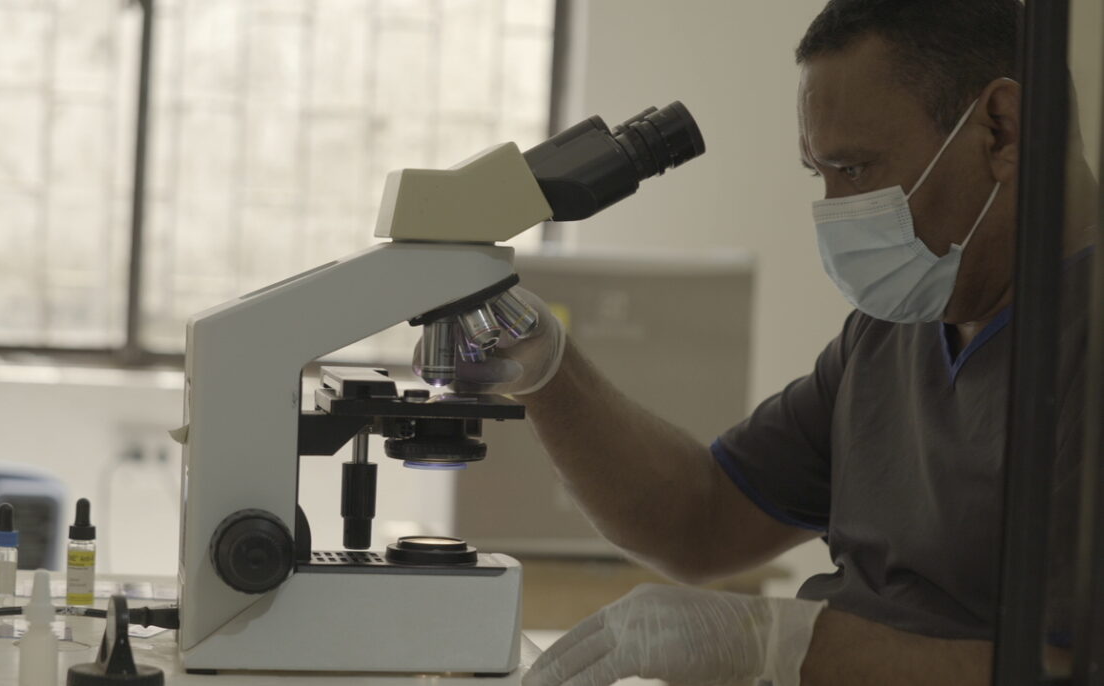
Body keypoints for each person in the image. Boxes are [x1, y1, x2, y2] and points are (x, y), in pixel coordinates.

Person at [429, 1, 1098, 684]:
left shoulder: (1081, 344)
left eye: (858, 170)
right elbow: (701, 519)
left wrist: (782, 645)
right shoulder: (898, 326)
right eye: (821, 175)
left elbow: (1068, 671)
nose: (836, 210)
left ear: (1002, 130)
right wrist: (548, 368)